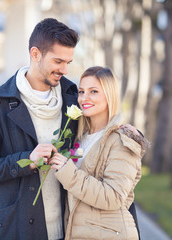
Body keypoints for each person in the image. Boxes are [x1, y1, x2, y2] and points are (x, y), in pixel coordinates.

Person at [0, 18, 80, 240]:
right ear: (35, 54)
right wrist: (26, 160)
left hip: (68, 229)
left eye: (68, 62)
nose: (64, 69)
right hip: (16, 229)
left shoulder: (73, 98)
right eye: (58, 61)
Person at [49, 66, 150, 240]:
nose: (84, 98)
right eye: (81, 91)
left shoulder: (122, 140)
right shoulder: (79, 138)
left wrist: (68, 171)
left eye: (93, 91)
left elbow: (114, 196)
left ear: (109, 95)